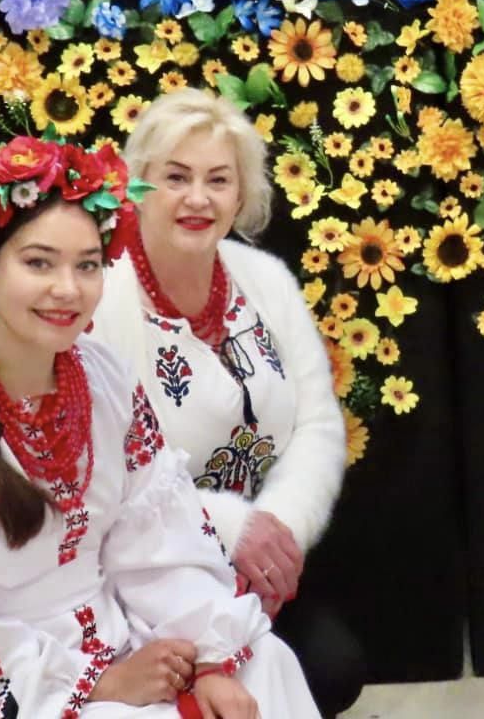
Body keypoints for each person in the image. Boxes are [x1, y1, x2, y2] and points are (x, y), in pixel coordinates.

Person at [0, 135, 321, 719]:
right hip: (16, 681)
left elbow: (156, 544)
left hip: (122, 637)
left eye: (88, 265)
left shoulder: (102, 380)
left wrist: (209, 657)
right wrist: (96, 683)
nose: (67, 289)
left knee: (267, 663)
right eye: (39, 262)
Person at [89, 89, 362, 715]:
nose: (198, 198)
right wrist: (230, 528)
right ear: (138, 186)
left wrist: (277, 535)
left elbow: (318, 424)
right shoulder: (100, 294)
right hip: (138, 572)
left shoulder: (265, 278)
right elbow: (104, 476)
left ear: (242, 196)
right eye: (176, 177)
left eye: (219, 180)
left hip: (259, 567)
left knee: (332, 668)